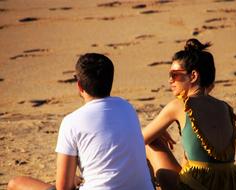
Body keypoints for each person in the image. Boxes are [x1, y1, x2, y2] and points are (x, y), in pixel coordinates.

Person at [8, 53, 154, 190]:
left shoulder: (71, 122)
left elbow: (63, 187)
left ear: (79, 85)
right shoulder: (127, 107)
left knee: (16, 183)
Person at [143, 39, 236, 190]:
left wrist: (157, 133)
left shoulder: (179, 105)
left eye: (175, 75)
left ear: (193, 76)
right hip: (232, 185)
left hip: (196, 187)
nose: (170, 80)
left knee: (151, 144)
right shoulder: (225, 107)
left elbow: (137, 139)